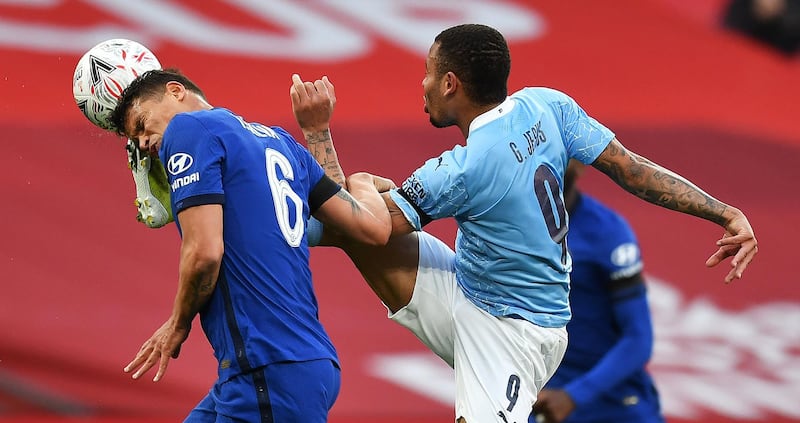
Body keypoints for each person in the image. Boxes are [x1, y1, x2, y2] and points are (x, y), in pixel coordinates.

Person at [289, 23, 757, 423]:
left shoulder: (463, 169)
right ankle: (265, 224)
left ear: (450, 83)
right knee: (353, 227)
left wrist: (321, 136)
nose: (424, 83)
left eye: (428, 72)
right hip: (470, 292)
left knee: (363, 218)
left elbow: (362, 223)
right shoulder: (547, 106)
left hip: (514, 334)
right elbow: (631, 168)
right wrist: (724, 211)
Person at [109, 69, 392, 422]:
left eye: (140, 123)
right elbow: (373, 230)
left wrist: (178, 324)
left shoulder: (188, 129)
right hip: (294, 366)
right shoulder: (282, 142)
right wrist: (359, 178)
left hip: (268, 369)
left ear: (175, 90)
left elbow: (205, 252)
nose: (142, 142)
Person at [531, 161, 665, 423]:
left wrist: (573, 396)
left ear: (580, 165)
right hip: (540, 401)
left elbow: (639, 338)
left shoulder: (607, 232)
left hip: (614, 405)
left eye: (560, 155)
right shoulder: (507, 228)